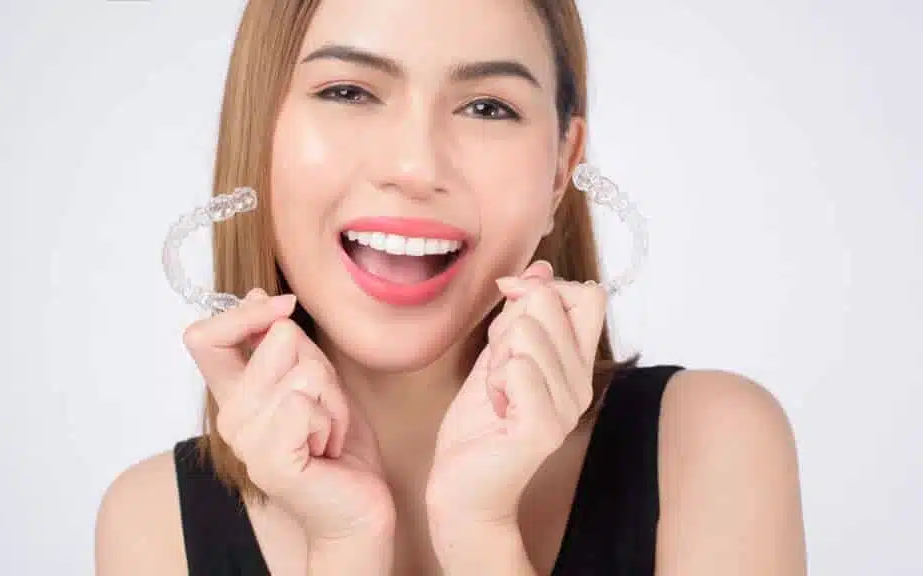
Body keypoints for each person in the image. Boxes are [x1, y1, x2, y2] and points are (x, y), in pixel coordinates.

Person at [95, 0, 807, 574]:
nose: (414, 165)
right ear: (260, 133)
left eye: (487, 107)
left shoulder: (707, 444)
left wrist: (481, 535)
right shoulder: (152, 524)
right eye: (348, 91)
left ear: (562, 166)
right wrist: (345, 549)